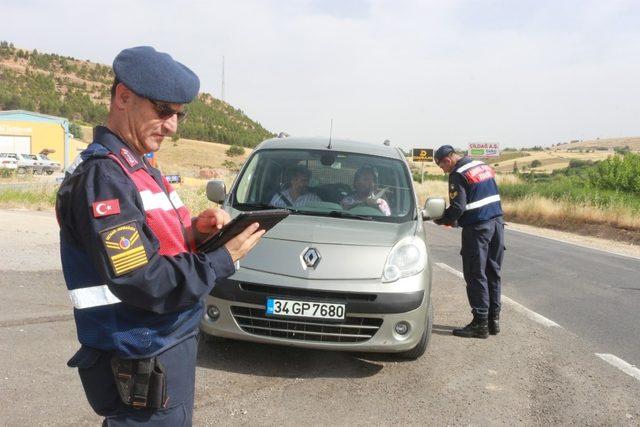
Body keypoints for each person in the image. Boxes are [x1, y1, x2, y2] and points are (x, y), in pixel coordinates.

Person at [56, 46, 264, 426]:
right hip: (139, 354)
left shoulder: (138, 167)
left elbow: (161, 246)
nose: (172, 125)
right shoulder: (105, 178)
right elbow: (140, 278)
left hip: (165, 346)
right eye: (163, 111)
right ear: (123, 97)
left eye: (178, 115)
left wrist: (196, 234)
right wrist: (220, 259)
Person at [433, 145, 504, 339]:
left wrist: (440, 218)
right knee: (492, 272)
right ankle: (493, 321)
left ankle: (479, 324)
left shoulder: (457, 174)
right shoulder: (481, 165)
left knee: (475, 274)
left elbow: (458, 208)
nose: (443, 170)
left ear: (447, 160)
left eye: (441, 166)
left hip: (478, 228)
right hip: (497, 224)